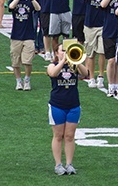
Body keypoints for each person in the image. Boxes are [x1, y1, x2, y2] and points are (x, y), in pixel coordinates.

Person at [47, 43, 89, 175]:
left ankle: (69, 164)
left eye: (67, 51)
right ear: (57, 53)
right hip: (57, 105)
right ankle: (58, 164)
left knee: (70, 136)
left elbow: (85, 73)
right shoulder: (52, 65)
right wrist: (63, 61)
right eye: (62, 51)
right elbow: (53, 74)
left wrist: (77, 60)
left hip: (73, 105)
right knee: (58, 136)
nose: (65, 52)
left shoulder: (74, 66)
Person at [9, 0, 41, 91]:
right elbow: (11, 6)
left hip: (29, 36)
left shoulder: (30, 2)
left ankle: (27, 79)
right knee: (15, 62)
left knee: (27, 61)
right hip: (16, 36)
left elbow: (38, 8)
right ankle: (18, 81)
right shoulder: (13, 1)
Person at [82, 0, 109, 88]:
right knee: (90, 53)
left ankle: (101, 76)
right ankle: (91, 77)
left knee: (102, 52)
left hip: (103, 24)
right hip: (90, 25)